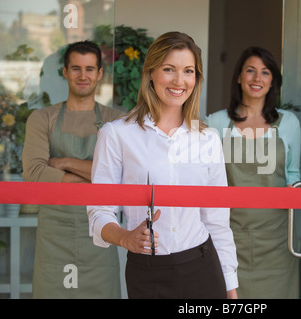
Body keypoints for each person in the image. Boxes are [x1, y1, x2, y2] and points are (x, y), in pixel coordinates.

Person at [87, 31, 238, 299]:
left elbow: (217, 222)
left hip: (204, 268)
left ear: (196, 78)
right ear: (151, 74)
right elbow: (99, 211)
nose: (180, 81)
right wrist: (124, 237)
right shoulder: (116, 134)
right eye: (169, 69)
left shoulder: (208, 139)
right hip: (147, 272)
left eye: (188, 71)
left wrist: (231, 288)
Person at [22, 40, 124, 298]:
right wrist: (95, 180)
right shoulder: (42, 118)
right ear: (65, 72)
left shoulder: (117, 121)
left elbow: (121, 177)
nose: (83, 76)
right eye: (76, 68)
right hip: (54, 232)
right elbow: (34, 174)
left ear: (100, 73)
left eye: (90, 69)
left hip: (101, 230)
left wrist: (64, 163)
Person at [206, 46, 301, 298]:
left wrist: (294, 189)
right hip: (228, 238)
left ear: (273, 81)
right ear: (239, 77)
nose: (257, 79)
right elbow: (204, 181)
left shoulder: (289, 123)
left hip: (278, 242)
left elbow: (296, 176)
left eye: (265, 72)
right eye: (250, 71)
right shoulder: (214, 123)